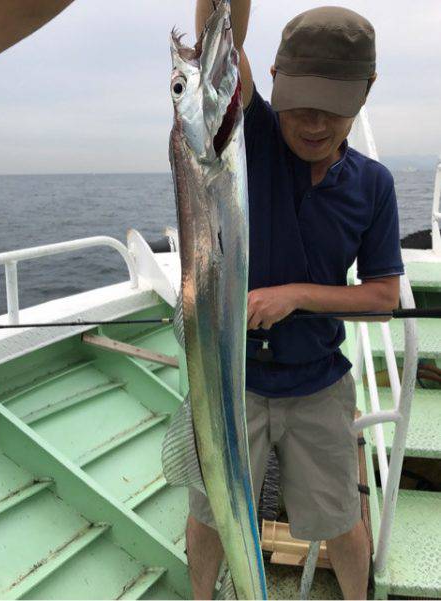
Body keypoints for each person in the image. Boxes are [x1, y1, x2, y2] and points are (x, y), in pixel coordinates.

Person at [187, 2, 404, 599]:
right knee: (210, 511)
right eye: (299, 102)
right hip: (232, 382)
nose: (312, 123)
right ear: (275, 80)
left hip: (319, 384)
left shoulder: (373, 185)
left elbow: (383, 296)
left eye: (333, 108)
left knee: (342, 519)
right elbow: (215, 42)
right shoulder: (249, 134)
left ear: (366, 93)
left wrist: (296, 296)